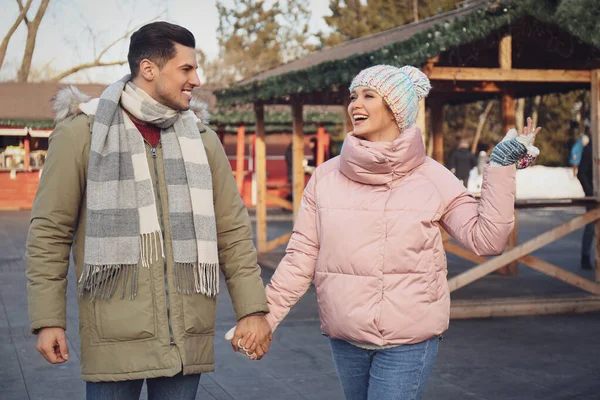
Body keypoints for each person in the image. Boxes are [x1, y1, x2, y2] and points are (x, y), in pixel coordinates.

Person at [241, 64, 541, 399]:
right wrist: (266, 317)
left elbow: (487, 239)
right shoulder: (325, 178)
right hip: (346, 335)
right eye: (353, 96)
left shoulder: (433, 177)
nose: (355, 104)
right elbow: (301, 257)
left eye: (368, 95)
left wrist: (499, 169)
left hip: (408, 340)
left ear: (396, 109)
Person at [26, 22, 271, 400]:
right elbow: (50, 232)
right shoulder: (83, 133)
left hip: (187, 340)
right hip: (113, 339)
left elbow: (232, 231)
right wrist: (47, 321)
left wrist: (253, 310)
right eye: (186, 69)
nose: (196, 79)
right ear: (149, 69)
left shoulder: (202, 141)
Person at [574, 134, 594, 270]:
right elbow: (581, 173)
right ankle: (585, 256)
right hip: (594, 196)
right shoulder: (591, 149)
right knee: (592, 225)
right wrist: (590, 193)